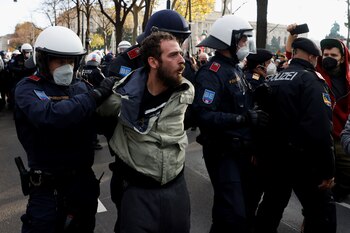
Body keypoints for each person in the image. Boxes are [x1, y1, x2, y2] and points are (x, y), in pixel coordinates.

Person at [14, 26, 115, 233]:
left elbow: (100, 123)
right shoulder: (28, 88)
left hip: (81, 185)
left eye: (70, 61)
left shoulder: (81, 86)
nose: (67, 67)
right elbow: (51, 116)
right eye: (60, 61)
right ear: (43, 60)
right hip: (48, 191)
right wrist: (95, 96)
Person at [97, 31, 194, 233]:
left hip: (176, 188)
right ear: (153, 61)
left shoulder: (186, 90)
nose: (181, 60)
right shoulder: (121, 95)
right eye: (173, 55)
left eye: (180, 53)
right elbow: (101, 117)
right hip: (138, 192)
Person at [192, 14, 269, 233]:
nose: (246, 44)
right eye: (243, 39)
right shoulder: (212, 73)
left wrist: (256, 94)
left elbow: (240, 104)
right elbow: (203, 115)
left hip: (242, 152)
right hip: (222, 152)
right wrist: (242, 119)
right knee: (232, 214)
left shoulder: (235, 68)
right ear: (230, 39)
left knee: (241, 212)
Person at [254, 37, 336, 233]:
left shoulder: (273, 79)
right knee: (321, 212)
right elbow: (321, 128)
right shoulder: (311, 80)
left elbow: (259, 118)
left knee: (271, 207)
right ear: (311, 56)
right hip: (303, 161)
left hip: (274, 158)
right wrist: (327, 170)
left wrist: (259, 152)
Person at [107, 9, 192, 81]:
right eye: (170, 39)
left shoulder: (185, 66)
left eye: (179, 41)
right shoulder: (128, 61)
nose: (176, 46)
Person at [317, 38, 350, 202]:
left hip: (342, 135)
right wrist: (292, 35)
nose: (328, 58)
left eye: (333, 55)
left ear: (342, 58)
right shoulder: (317, 72)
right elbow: (292, 54)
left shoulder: (348, 78)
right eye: (326, 54)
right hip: (321, 136)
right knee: (319, 181)